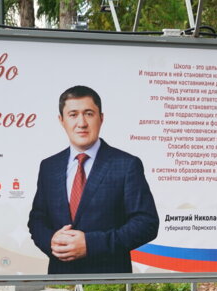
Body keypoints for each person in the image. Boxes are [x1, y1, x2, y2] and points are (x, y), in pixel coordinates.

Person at [28, 85, 159, 275]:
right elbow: (37, 219)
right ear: (61, 120)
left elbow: (146, 223)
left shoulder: (126, 164)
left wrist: (90, 244)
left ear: (101, 118)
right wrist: (51, 242)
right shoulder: (49, 167)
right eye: (73, 114)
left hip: (109, 283)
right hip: (59, 280)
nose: (81, 123)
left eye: (89, 113)